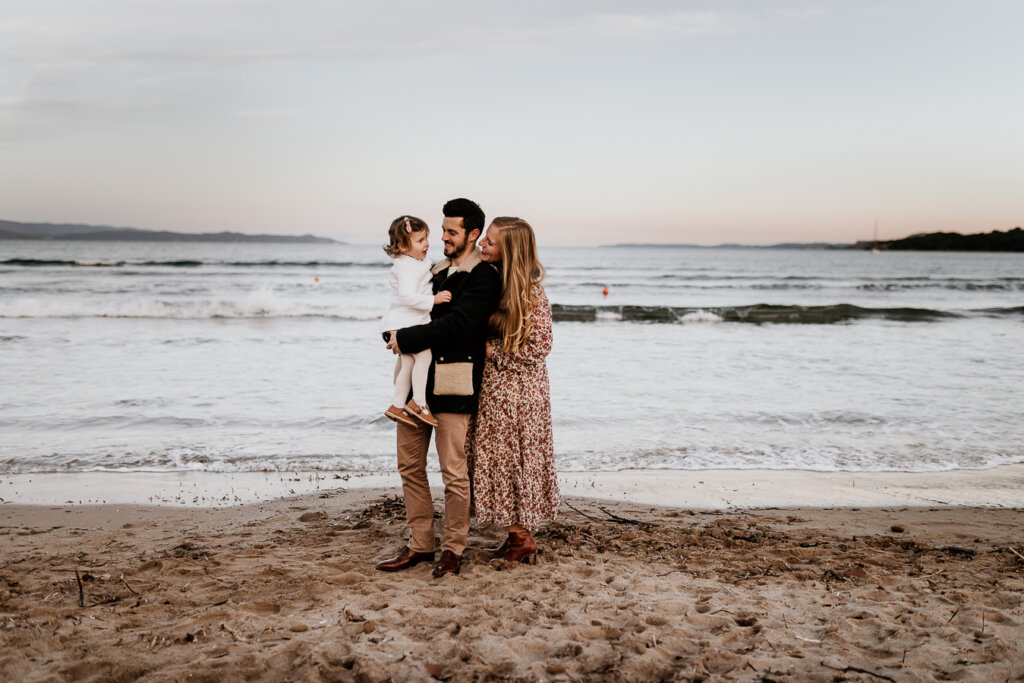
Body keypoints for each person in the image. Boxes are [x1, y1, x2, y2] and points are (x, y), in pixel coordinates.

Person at [376, 198, 502, 578]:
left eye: (452, 232)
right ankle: (420, 545)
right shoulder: (431, 269)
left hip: (453, 383)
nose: (443, 237)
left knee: (453, 472)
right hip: (416, 387)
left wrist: (405, 337)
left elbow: (459, 326)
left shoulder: (483, 277)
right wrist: (394, 332)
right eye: (442, 230)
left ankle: (452, 549)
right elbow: (405, 305)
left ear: (472, 234)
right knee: (410, 466)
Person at [468, 217, 559, 564]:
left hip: (520, 392)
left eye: (489, 242)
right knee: (499, 460)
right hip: (498, 388)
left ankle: (522, 539)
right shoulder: (497, 283)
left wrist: (494, 352)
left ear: (510, 249)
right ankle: (515, 536)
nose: (482, 245)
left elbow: (542, 344)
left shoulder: (530, 291)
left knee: (513, 462)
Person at [379, 215, 451, 428]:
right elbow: (407, 297)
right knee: (424, 357)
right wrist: (434, 300)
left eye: (426, 238)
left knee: (408, 364)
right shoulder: (406, 267)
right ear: (402, 245)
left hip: (400, 323)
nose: (427, 243)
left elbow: (429, 266)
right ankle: (419, 403)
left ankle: (397, 404)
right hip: (404, 325)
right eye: (420, 240)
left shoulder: (413, 262)